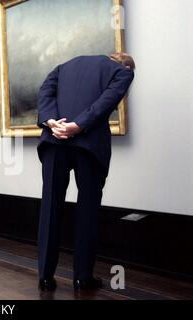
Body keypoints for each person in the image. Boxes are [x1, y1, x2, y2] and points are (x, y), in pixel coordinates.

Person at [36, 53, 135, 291]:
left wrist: (52, 122)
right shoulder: (123, 71)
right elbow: (107, 101)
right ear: (125, 64)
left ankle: (45, 277)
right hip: (89, 144)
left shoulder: (65, 65)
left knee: (50, 207)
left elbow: (44, 92)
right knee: (87, 210)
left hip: (53, 141)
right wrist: (78, 126)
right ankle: (82, 277)